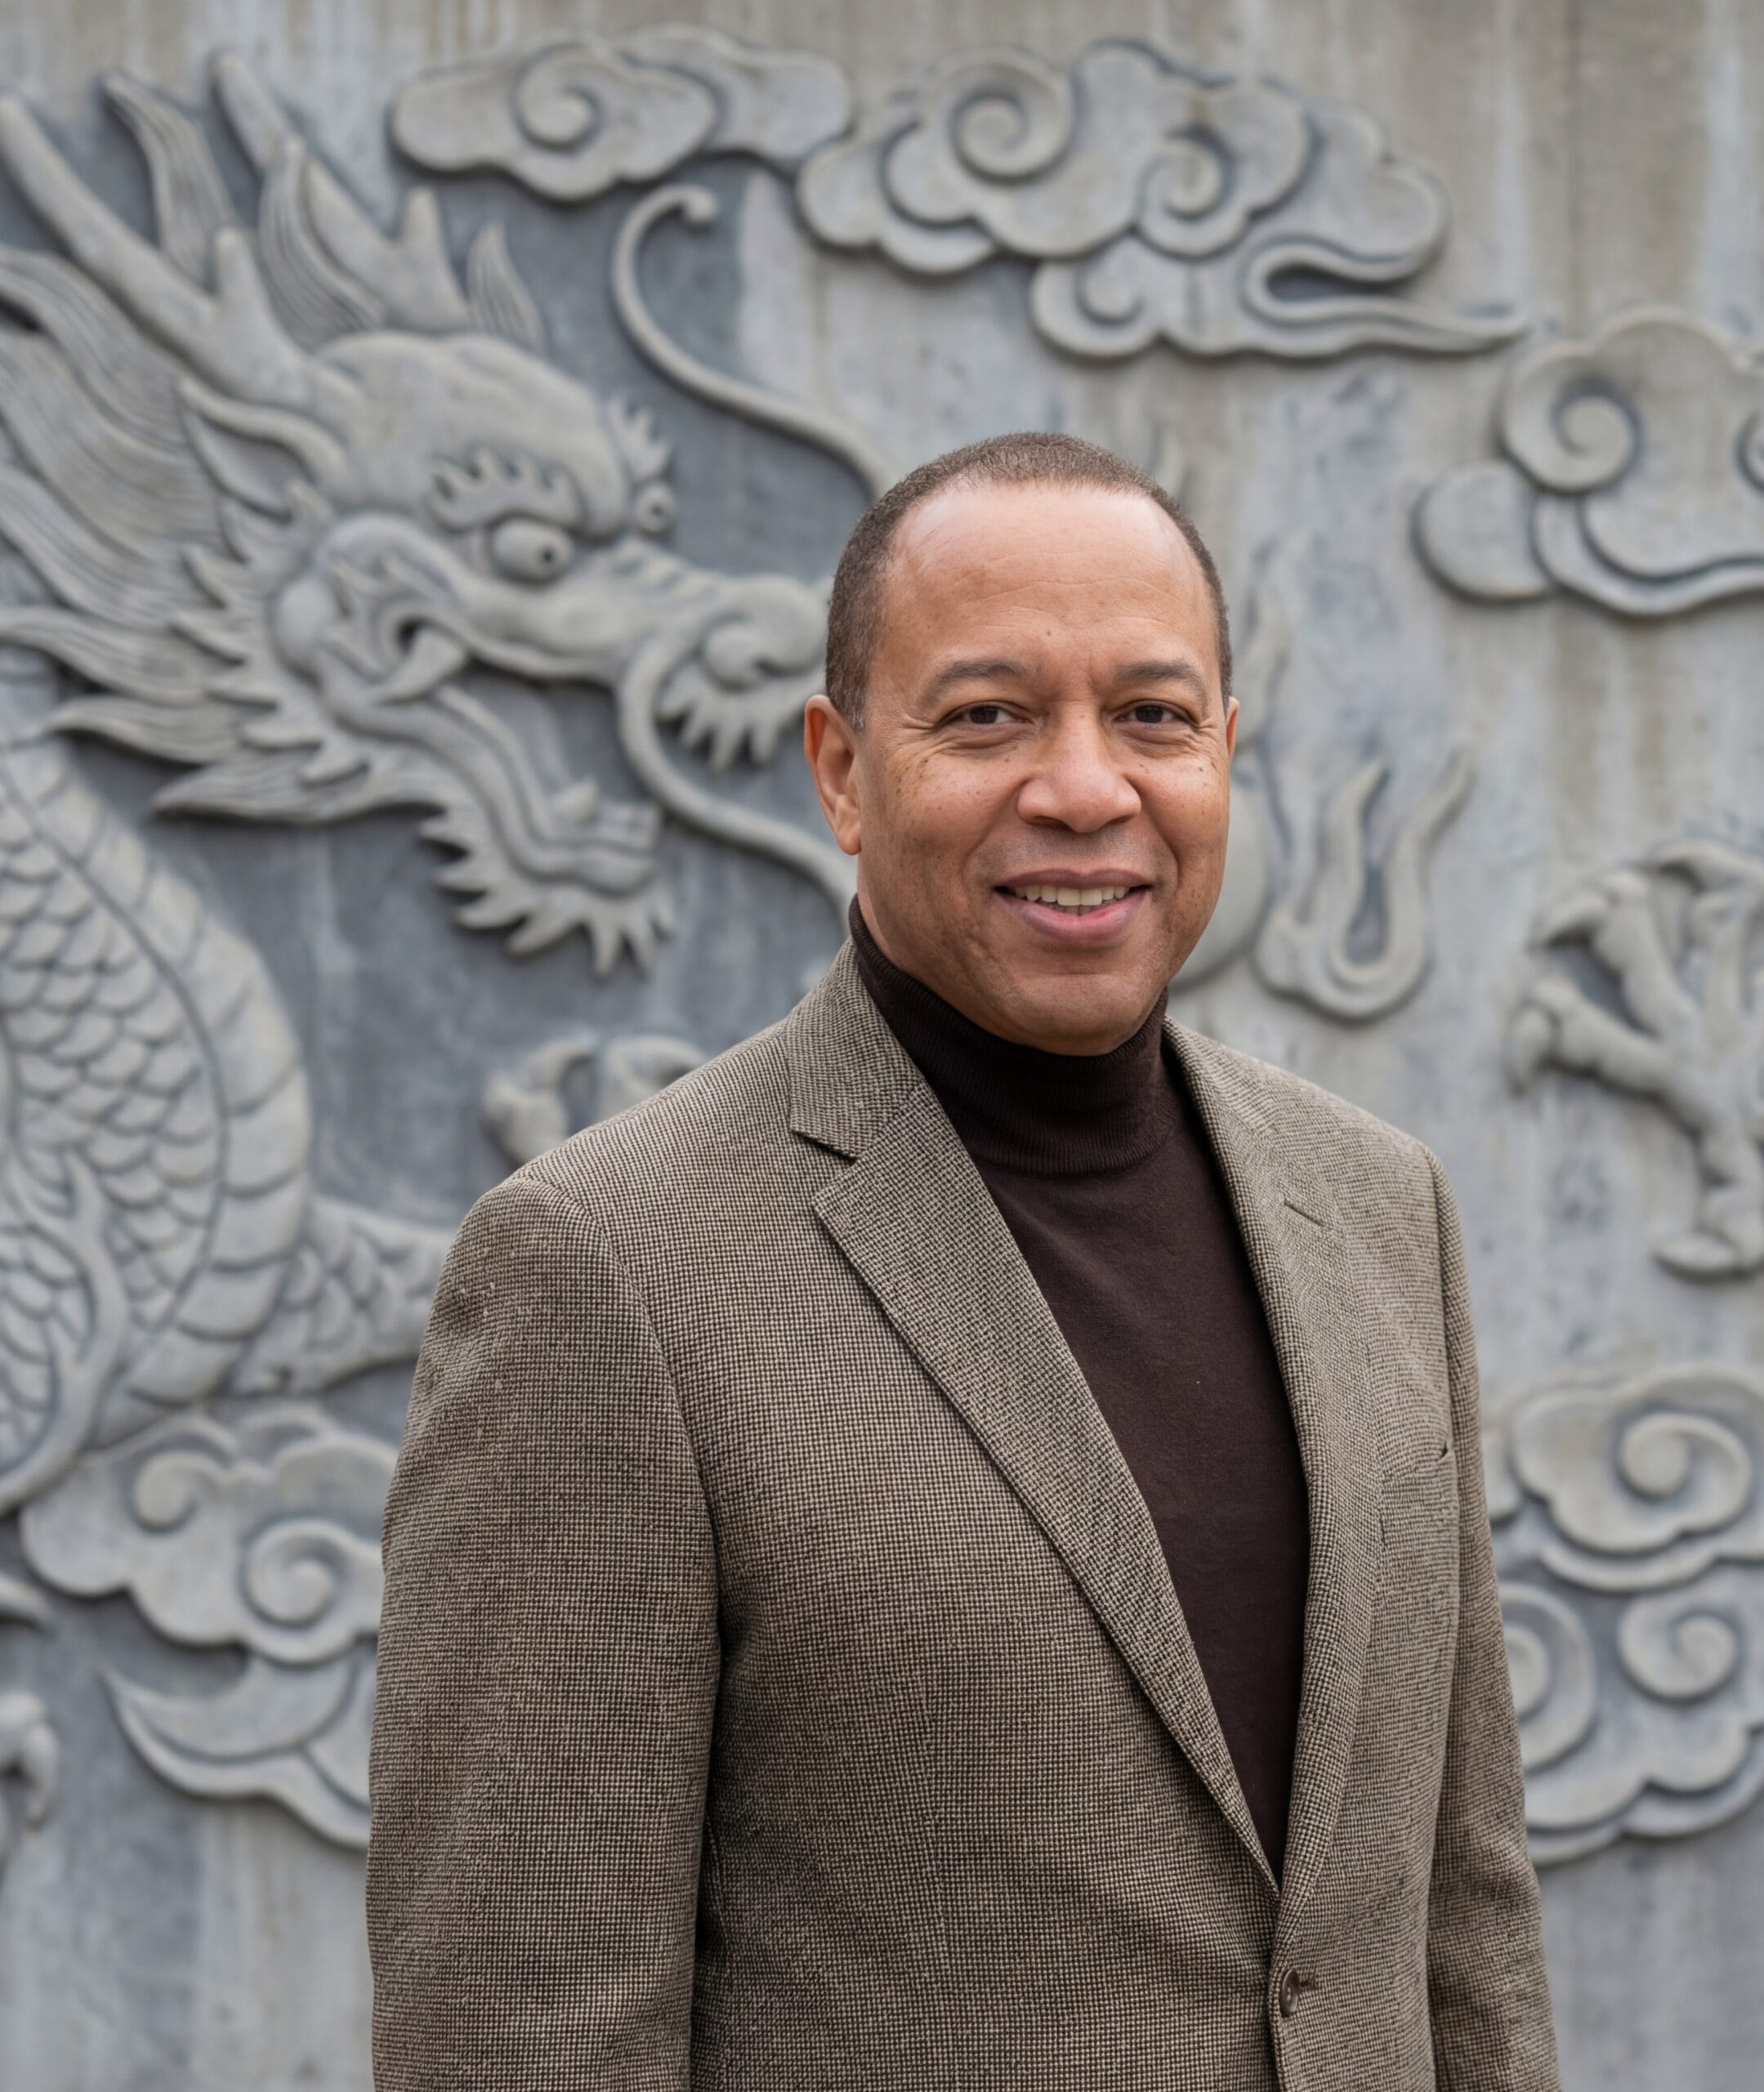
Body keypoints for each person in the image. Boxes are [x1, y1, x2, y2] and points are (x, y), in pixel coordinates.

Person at [366, 431, 1559, 2090]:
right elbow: (516, 2029)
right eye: (989, 716)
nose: (1084, 787)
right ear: (841, 769)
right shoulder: (602, 1269)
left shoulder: (1374, 1209)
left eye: (1150, 715)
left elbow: (1461, 1923)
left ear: (1222, 747)